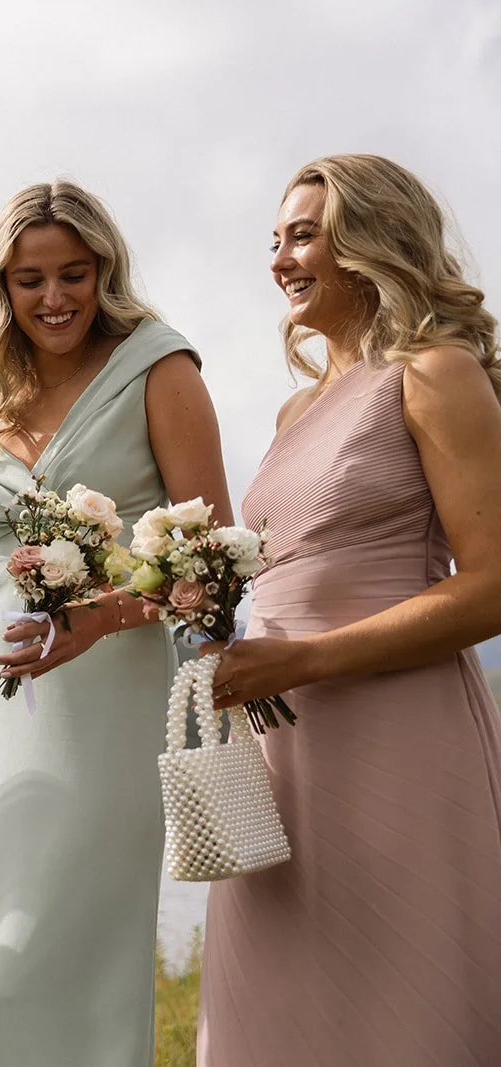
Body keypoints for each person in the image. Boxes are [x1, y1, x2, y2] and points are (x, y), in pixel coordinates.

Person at [0, 180, 232, 1065]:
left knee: (59, 952)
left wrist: (104, 619)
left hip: (109, 706)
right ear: (2, 288)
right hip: (3, 721)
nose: (55, 298)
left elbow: (214, 566)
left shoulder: (160, 367)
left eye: (74, 273)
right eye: (30, 280)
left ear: (104, 269)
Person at [199, 154, 501, 1066]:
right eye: (276, 239)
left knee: (408, 1005)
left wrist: (304, 660)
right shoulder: (295, 412)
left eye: (303, 235)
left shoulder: (435, 372)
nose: (281, 259)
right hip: (278, 747)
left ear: (371, 243)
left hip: (395, 733)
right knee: (271, 1011)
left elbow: (491, 583)